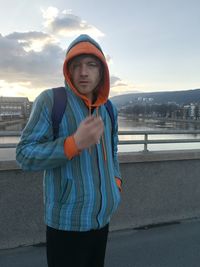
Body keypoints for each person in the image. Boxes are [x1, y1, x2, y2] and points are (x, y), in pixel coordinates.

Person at [16, 34, 122, 267]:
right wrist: (73, 144)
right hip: (66, 222)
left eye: (91, 65)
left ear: (102, 71)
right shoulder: (52, 101)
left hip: (102, 218)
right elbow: (24, 154)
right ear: (68, 70)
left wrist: (115, 183)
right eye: (76, 65)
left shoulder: (109, 109)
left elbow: (113, 151)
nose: (83, 72)